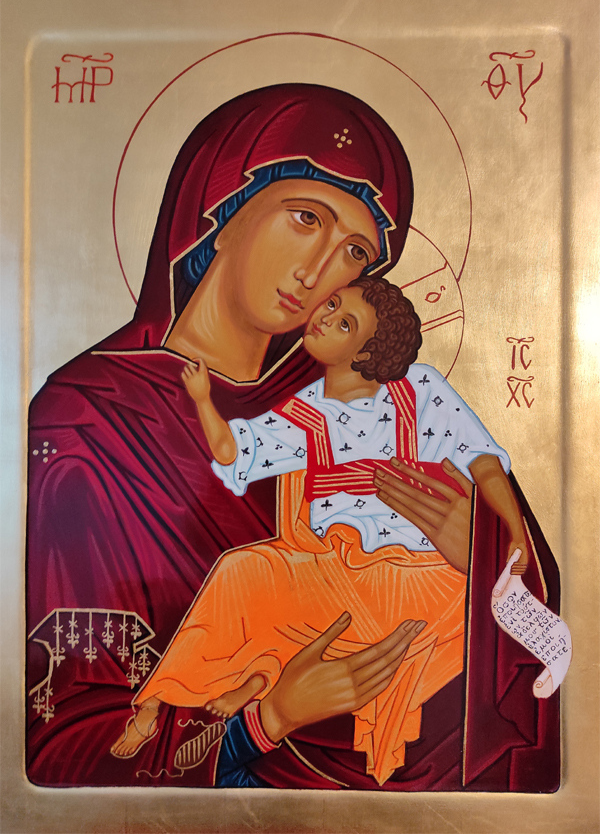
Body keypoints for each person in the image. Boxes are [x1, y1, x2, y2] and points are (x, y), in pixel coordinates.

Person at [27, 84, 560, 790]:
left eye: (353, 252)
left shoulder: (374, 385)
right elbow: (60, 732)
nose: (316, 273)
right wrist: (268, 719)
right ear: (221, 212)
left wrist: (483, 557)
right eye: (306, 217)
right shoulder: (87, 420)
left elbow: (535, 657)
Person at [111, 278, 530, 785]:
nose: (325, 317)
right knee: (242, 570)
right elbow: (232, 451)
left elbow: (483, 463)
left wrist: (510, 535)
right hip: (336, 573)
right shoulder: (304, 414)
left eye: (345, 323)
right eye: (331, 304)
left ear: (367, 352)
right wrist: (202, 399)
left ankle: (258, 680)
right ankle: (156, 705)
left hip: (420, 579)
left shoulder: (419, 391)